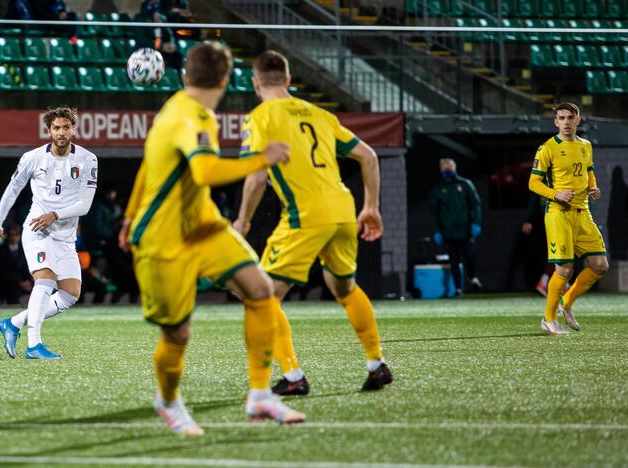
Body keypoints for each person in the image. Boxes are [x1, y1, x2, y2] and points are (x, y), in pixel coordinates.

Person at [117, 43, 304, 436]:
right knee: (177, 333)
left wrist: (130, 211)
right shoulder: (193, 117)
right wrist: (261, 158)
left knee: (261, 290)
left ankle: (260, 394)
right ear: (225, 79)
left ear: (186, 76)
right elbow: (203, 171)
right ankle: (167, 401)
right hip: (165, 236)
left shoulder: (175, 109)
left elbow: (149, 168)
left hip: (202, 224)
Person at [232, 50, 392, 396]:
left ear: (256, 84)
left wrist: (242, 221)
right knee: (344, 288)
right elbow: (369, 156)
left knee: (262, 296)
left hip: (305, 215)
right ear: (289, 80)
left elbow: (257, 175)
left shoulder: (260, 117)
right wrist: (372, 208)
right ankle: (376, 364)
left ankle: (292, 377)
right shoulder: (320, 114)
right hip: (343, 209)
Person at [0, 107, 98, 359]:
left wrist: (56, 215)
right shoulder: (32, 158)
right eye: (56, 128)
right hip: (37, 230)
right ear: (48, 131)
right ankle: (34, 345)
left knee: (70, 294)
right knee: (46, 280)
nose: (61, 132)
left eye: (66, 127)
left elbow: (85, 204)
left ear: (73, 129)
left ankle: (14, 323)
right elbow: (13, 189)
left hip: (65, 235)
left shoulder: (87, 159)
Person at [528, 102, 609, 335]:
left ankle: (567, 303)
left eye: (570, 118)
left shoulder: (586, 146)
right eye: (561, 118)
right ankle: (548, 319)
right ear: (556, 122)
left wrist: (594, 188)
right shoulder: (547, 148)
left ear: (578, 120)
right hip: (558, 213)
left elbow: (588, 171)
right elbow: (533, 183)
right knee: (564, 269)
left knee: (600, 265)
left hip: (583, 212)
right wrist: (556, 194)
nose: (565, 122)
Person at [430, 158, 483, 297]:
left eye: (449, 167)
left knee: (470, 255)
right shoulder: (438, 189)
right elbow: (434, 212)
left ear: (454, 168)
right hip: (449, 232)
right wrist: (437, 231)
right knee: (454, 260)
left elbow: (475, 204)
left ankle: (472, 277)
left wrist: (476, 222)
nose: (446, 170)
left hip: (466, 229)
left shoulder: (465, 184)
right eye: (444, 168)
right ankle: (458, 288)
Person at [0, 224, 33, 305]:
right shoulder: (0, 251)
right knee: (13, 290)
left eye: (16, 235)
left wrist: (28, 281)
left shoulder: (24, 250)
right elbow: (2, 272)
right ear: (8, 236)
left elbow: (27, 268)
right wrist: (19, 282)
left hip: (23, 281)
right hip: (7, 283)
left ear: (20, 236)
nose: (14, 238)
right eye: (12, 235)